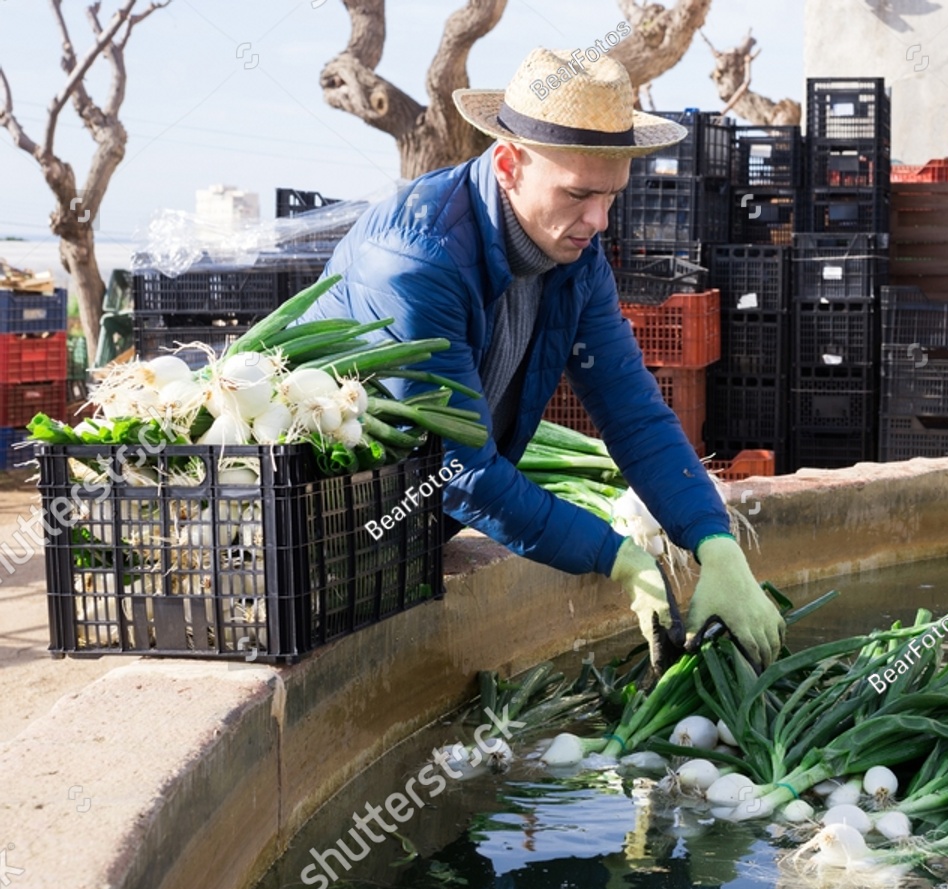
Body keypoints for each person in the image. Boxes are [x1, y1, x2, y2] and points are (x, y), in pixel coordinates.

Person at [300, 48, 784, 666]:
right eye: (579, 194)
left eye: (612, 196)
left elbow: (632, 412)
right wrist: (618, 557)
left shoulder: (575, 256)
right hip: (325, 531)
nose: (598, 220)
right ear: (508, 163)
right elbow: (459, 469)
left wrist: (717, 546)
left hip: (411, 536)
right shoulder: (414, 260)